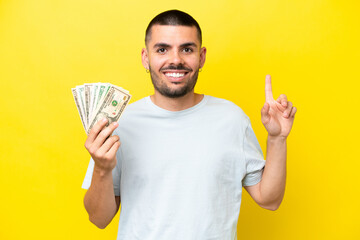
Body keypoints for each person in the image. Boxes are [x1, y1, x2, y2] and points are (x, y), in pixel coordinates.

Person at [81, 9, 297, 240]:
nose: (176, 59)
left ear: (201, 56)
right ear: (146, 58)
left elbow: (270, 200)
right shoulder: (120, 123)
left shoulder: (232, 119)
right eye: (162, 49)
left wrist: (277, 139)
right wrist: (102, 169)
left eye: (187, 49)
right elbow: (99, 219)